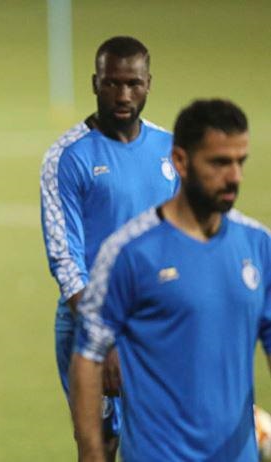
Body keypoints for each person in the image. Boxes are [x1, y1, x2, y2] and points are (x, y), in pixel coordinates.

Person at [71, 98, 266, 461]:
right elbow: (87, 357)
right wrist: (93, 454)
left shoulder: (258, 246)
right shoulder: (129, 252)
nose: (234, 176)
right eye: (219, 162)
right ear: (180, 161)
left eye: (240, 162)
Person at [39, 36, 178, 458]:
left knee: (163, 443)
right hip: (90, 325)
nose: (123, 95)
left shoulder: (171, 150)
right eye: (112, 83)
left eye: (133, 83)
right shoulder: (67, 157)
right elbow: (66, 261)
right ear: (95, 83)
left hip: (156, 322)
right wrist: (106, 339)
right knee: (99, 445)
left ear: (149, 83)